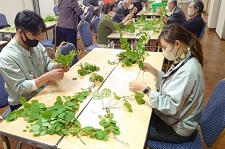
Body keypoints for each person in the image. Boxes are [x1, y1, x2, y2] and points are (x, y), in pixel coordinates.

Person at [129, 23, 204, 143]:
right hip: (174, 118)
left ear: (177, 44)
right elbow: (171, 83)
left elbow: (171, 106)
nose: (163, 51)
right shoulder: (184, 58)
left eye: (164, 47)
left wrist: (145, 89)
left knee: (135, 129)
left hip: (176, 129)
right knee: (138, 114)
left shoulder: (189, 70)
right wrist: (154, 71)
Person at [0, 10, 69, 111]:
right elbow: (20, 88)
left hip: (42, 92)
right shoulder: (7, 56)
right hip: (23, 103)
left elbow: (47, 63)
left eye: (39, 33)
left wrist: (55, 67)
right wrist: (47, 77)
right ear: (20, 32)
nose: (38, 38)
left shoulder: (36, 45)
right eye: (34, 35)